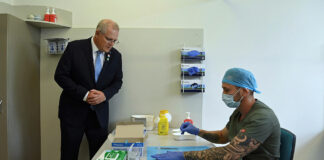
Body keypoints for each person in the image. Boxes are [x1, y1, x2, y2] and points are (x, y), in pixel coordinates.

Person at [152, 68, 280, 160]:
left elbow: (230, 153)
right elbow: (222, 136)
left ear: (244, 91)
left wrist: (183, 155)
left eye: (227, 89)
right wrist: (197, 131)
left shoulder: (262, 118)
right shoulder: (239, 112)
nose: (223, 94)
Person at [54, 19, 123, 160]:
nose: (111, 44)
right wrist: (85, 95)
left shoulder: (116, 56)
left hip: (99, 117)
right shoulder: (74, 48)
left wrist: (105, 95)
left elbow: (117, 82)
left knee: (99, 156)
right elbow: (60, 76)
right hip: (72, 114)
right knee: (68, 155)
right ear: (97, 33)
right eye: (109, 39)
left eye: (115, 40)